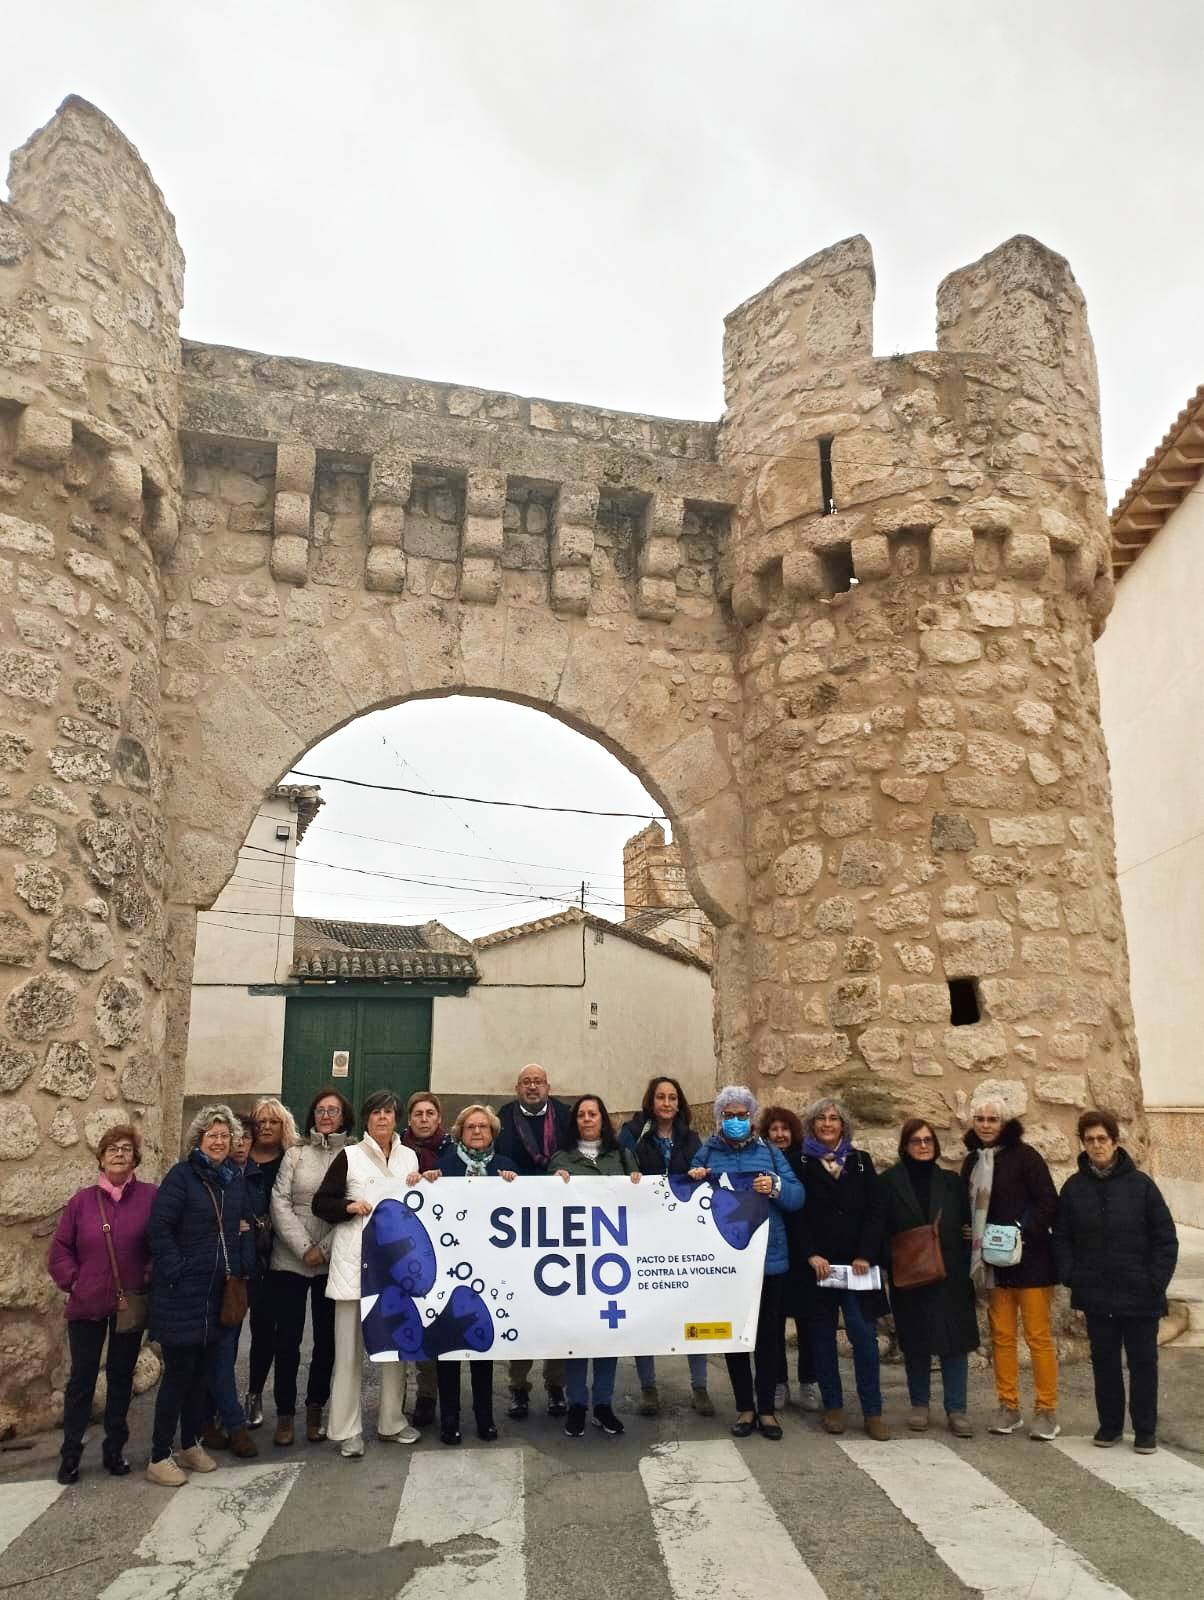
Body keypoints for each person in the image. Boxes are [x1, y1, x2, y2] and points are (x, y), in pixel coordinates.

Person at [1054, 1108, 1179, 1453]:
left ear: (1114, 1141)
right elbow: (1061, 1238)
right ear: (1083, 1143)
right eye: (1090, 1140)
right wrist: (1071, 1275)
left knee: (1143, 1365)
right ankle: (1109, 1427)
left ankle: (1145, 1431)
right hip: (1097, 1296)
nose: (1097, 1145)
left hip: (1141, 1296)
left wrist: (1154, 1281)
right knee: (1105, 1364)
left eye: (1102, 1139)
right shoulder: (1074, 1189)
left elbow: (1166, 1239)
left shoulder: (1142, 1186)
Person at [145, 1104, 258, 1487]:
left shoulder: (232, 1180)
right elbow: (159, 1228)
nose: (219, 1141)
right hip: (182, 1293)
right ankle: (159, 1455)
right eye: (212, 1135)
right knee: (178, 1376)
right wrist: (177, 1269)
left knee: (198, 1378)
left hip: (217, 1294)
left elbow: (239, 1230)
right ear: (199, 1139)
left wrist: (238, 1267)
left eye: (225, 1136)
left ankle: (189, 1443)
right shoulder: (182, 1177)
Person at [311, 1089, 422, 1458]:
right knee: (348, 1353)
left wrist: (425, 1182)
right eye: (376, 1113)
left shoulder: (409, 1157)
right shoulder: (350, 1156)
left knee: (395, 1349)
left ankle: (392, 1421)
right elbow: (321, 1203)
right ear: (367, 1119)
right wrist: (348, 1206)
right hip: (354, 1264)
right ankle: (347, 1430)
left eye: (388, 1112)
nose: (383, 1118)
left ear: (397, 1118)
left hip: (395, 1265)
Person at [690, 1085, 804, 1442]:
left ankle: (767, 1409)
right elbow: (686, 1193)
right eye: (729, 1115)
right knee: (735, 1336)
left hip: (767, 1258)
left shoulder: (769, 1152)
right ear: (719, 1118)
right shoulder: (707, 1152)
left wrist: (775, 1187)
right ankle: (745, 1407)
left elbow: (797, 1196)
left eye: (742, 1115)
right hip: (727, 1261)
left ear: (751, 1117)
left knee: (768, 1336)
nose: (736, 1121)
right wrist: (696, 1178)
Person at [48, 1124, 157, 1485]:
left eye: (126, 1148)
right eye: (112, 1148)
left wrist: (148, 1274)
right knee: (81, 1378)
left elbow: (160, 1241)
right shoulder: (82, 1202)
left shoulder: (150, 1197)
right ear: (101, 1157)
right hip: (87, 1301)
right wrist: (74, 1281)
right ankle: (71, 1453)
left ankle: (115, 1448)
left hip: (130, 1301)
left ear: (135, 1158)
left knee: (121, 1376)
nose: (119, 1154)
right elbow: (61, 1249)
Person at [961, 1096, 1061, 1440]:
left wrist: (1019, 1231)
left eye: (993, 1119)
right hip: (994, 1266)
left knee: (1037, 1337)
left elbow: (1048, 1201)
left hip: (1031, 1263)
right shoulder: (973, 1161)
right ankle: (1008, 1407)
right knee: (1002, 1338)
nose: (986, 1125)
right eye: (980, 1118)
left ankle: (1046, 1410)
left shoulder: (1027, 1157)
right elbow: (967, 1206)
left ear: (1005, 1123)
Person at [418, 1103, 517, 1444]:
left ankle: (484, 1416)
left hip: (490, 1272)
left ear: (492, 1133)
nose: (477, 1132)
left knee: (482, 1347)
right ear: (460, 1133)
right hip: (451, 1271)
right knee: (449, 1348)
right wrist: (427, 1182)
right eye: (471, 1127)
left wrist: (515, 1185)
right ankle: (450, 1418)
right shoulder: (444, 1168)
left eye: (483, 1127)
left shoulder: (506, 1167)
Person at [796, 1097, 890, 1441]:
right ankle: (833, 1406)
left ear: (843, 1125)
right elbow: (798, 1214)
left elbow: (876, 1211)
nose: (827, 1124)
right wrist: (811, 1255)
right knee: (822, 1339)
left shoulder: (861, 1161)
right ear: (812, 1125)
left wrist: (866, 1253)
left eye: (833, 1118)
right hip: (820, 1269)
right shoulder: (801, 1162)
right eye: (821, 1118)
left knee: (863, 1336)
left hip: (856, 1268)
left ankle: (873, 1411)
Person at [619, 1076, 714, 1417]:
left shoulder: (691, 1137)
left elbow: (702, 1171)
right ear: (651, 1101)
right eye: (661, 1097)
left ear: (679, 1103)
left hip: (683, 1236)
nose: (667, 1103)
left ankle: (700, 1386)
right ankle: (648, 1387)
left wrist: (700, 1173)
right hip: (643, 1235)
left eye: (673, 1097)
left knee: (693, 1310)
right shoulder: (633, 1134)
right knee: (646, 1312)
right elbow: (621, 1170)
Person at [551, 1094, 642, 1437]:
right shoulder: (561, 1159)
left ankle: (603, 1404)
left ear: (603, 1119)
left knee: (608, 1333)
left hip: (612, 1261)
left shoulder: (622, 1156)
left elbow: (641, 1204)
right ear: (574, 1122)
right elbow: (545, 1204)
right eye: (582, 1115)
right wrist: (553, 1182)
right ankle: (577, 1403)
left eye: (593, 1114)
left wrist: (639, 1183)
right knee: (577, 1335)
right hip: (574, 1261)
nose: (587, 1119)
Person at [881, 1118, 978, 1438]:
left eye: (928, 1141)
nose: (922, 1146)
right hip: (908, 1271)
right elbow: (881, 1226)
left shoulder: (951, 1181)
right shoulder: (889, 1182)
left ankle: (956, 1409)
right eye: (916, 1141)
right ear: (905, 1146)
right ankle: (919, 1405)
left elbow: (966, 1222)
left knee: (955, 1342)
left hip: (950, 1271)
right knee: (916, 1340)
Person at [268, 1087, 354, 1446]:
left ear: (344, 1116)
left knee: (326, 1340)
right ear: (312, 1116)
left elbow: (354, 1206)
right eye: (320, 1110)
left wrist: (325, 1249)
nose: (326, 1116)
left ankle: (315, 1407)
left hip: (332, 1259)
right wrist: (304, 1248)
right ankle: (285, 1414)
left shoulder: (353, 1155)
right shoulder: (295, 1154)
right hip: (290, 1258)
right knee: (287, 1339)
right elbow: (279, 1202)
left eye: (333, 1110)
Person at [495, 1063, 574, 1419]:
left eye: (538, 1082)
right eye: (526, 1082)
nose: (532, 1087)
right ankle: (518, 1387)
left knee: (557, 1310)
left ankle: (556, 1385)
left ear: (548, 1086)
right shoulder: (503, 1117)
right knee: (523, 1308)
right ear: (517, 1088)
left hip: (559, 1224)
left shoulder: (566, 1116)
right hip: (519, 1226)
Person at [758, 1106, 821, 1414]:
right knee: (774, 1323)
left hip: (804, 1252)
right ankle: (778, 1382)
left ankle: (809, 1381)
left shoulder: (806, 1161)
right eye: (774, 1129)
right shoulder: (762, 1161)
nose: (780, 1134)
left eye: (785, 1129)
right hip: (775, 1252)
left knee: (808, 1321)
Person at [242, 1097, 299, 1430]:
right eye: (260, 1121)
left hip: (280, 1256)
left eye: (273, 1121)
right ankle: (245, 1394)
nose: (265, 1127)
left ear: (283, 1126)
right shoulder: (240, 1157)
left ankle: (271, 1402)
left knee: (277, 1332)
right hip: (245, 1255)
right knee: (244, 1331)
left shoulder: (290, 1160)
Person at [399, 1090, 452, 1428]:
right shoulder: (398, 1152)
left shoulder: (452, 1151)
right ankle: (426, 1394)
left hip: (450, 1247)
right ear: (409, 1119)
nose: (423, 1119)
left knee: (447, 1321)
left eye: (429, 1113)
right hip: (413, 1249)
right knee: (421, 1322)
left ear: (439, 1118)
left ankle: (448, 1397)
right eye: (418, 1114)